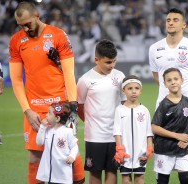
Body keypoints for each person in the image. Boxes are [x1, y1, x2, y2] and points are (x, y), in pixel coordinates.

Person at [8, 2, 85, 183]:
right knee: (35, 157)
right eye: (21, 26)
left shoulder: (58, 35)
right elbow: (17, 80)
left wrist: (72, 106)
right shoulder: (16, 41)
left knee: (70, 152)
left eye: (28, 24)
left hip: (60, 106)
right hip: (34, 108)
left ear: (37, 15)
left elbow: (68, 73)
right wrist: (27, 110)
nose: (26, 29)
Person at [149, 8, 188, 184]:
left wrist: (183, 100)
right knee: (161, 150)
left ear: (183, 24)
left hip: (187, 111)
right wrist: (171, 100)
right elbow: (157, 78)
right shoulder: (154, 48)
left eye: (175, 19)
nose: (171, 22)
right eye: (168, 20)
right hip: (163, 108)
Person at [77, 39, 126, 184]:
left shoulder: (120, 76)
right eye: (108, 62)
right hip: (95, 135)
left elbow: (124, 103)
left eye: (114, 61)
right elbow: (80, 106)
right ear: (96, 60)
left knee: (112, 170)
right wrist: (90, 122)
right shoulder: (85, 80)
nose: (112, 65)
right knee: (95, 171)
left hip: (115, 134)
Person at [152, 68, 188, 184]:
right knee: (163, 180)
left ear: (182, 80)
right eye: (169, 80)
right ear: (165, 84)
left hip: (182, 147)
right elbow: (154, 127)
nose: (173, 82)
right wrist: (177, 136)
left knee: (185, 178)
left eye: (176, 79)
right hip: (164, 148)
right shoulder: (163, 105)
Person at [113, 75, 154, 184]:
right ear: (123, 91)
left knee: (140, 178)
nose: (133, 91)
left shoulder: (144, 110)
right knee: (125, 178)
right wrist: (119, 149)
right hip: (125, 152)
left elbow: (149, 132)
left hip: (141, 152)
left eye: (136, 88)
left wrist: (149, 147)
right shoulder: (119, 110)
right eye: (130, 88)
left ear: (141, 91)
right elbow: (117, 132)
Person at [36, 101, 79, 183]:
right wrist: (42, 127)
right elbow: (39, 142)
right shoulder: (47, 130)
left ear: (57, 118)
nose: (46, 115)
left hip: (63, 173)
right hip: (51, 174)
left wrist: (72, 156)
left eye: (49, 113)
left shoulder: (67, 132)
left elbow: (74, 146)